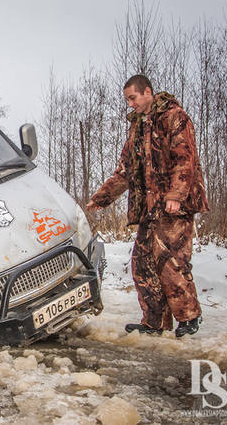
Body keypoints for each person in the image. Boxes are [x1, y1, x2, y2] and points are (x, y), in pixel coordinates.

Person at [86, 75, 209, 337]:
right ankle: (154, 323)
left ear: (147, 92)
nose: (130, 104)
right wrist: (102, 198)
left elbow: (184, 158)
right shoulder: (137, 128)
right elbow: (125, 171)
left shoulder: (174, 116)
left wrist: (176, 195)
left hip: (175, 205)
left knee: (172, 262)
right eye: (127, 100)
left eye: (133, 98)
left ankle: (189, 318)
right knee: (142, 264)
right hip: (149, 208)